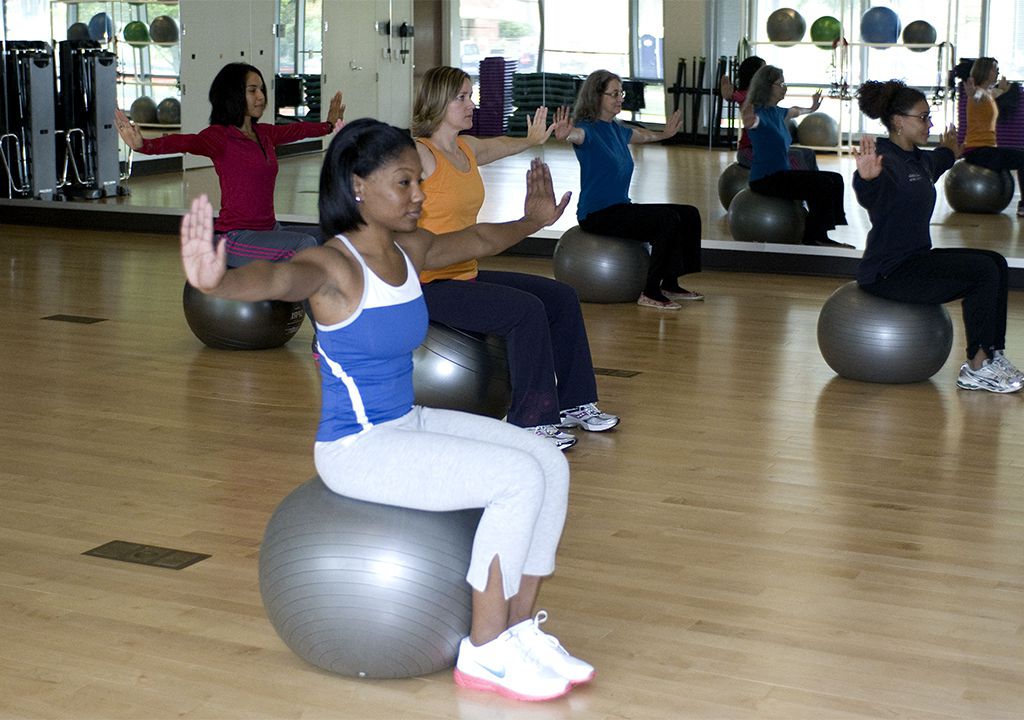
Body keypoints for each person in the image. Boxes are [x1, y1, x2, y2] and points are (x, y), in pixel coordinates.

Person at [180, 118, 593, 701]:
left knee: (547, 460)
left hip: (405, 421)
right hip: (358, 447)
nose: (419, 194)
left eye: (418, 181)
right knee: (517, 478)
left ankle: (517, 630)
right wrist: (218, 283)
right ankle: (486, 650)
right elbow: (278, 278)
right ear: (358, 186)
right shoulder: (332, 266)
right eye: (404, 182)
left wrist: (532, 221)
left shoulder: (406, 250)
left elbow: (476, 240)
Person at [412, 65, 619, 450]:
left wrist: (531, 140)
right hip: (426, 283)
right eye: (461, 97)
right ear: (437, 101)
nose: (471, 104)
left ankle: (574, 403)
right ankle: (532, 421)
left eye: (471, 95)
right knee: (525, 310)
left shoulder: (466, 148)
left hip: (464, 274)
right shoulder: (420, 154)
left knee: (560, 296)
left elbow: (499, 145)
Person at [854, 79, 1022, 393]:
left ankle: (992, 354)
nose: (929, 124)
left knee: (996, 262)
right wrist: (868, 181)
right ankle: (977, 367)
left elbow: (940, 159)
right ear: (898, 121)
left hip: (916, 259)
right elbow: (873, 195)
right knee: (982, 272)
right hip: (888, 272)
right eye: (923, 117)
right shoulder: (883, 162)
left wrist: (951, 150)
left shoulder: (919, 159)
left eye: (929, 116)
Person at [115, 62, 345, 267]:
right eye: (252, 90)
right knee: (305, 244)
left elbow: (297, 130)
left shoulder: (263, 134)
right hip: (235, 238)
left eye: (262, 89)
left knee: (333, 235)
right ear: (233, 94)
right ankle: (311, 304)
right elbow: (186, 141)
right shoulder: (220, 137)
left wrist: (328, 125)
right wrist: (144, 145)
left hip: (269, 230)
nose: (261, 97)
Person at [557, 69, 703, 311]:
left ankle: (670, 283)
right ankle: (650, 292)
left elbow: (641, 135)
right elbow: (576, 135)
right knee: (667, 219)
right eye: (614, 94)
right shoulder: (587, 130)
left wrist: (665, 134)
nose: (620, 98)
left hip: (620, 207)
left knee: (688, 213)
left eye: (621, 93)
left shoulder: (616, 129)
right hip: (597, 214)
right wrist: (565, 134)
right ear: (596, 96)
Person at [741, 65, 851, 248]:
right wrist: (748, 120)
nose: (785, 88)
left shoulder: (777, 112)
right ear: (767, 87)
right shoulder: (759, 115)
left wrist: (812, 108)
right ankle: (815, 237)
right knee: (821, 184)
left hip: (781, 174)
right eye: (781, 84)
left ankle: (825, 229)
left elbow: (795, 111)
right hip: (765, 179)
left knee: (835, 179)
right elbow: (752, 123)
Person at [720, 56, 818, 171]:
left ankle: (816, 181)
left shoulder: (768, 97)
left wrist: (811, 108)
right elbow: (736, 97)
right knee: (796, 157)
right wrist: (728, 95)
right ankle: (801, 182)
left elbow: (792, 111)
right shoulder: (749, 95)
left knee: (808, 153)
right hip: (749, 151)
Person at [962, 57, 1024, 218]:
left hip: (986, 149)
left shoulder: (988, 93)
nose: (997, 72)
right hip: (978, 152)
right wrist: (972, 94)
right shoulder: (979, 93)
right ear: (986, 71)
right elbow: (977, 96)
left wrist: (1003, 89)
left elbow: (994, 93)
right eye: (995, 69)